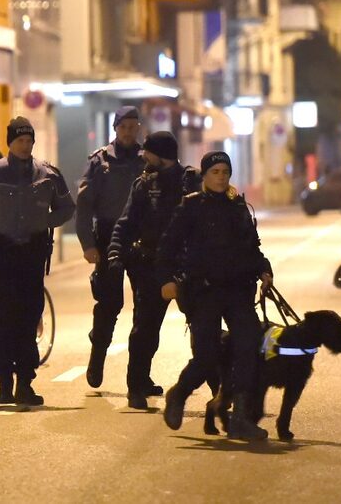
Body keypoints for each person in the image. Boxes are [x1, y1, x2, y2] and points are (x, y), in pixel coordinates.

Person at [157, 151, 273, 440]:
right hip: (204, 291)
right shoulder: (191, 207)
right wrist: (167, 280)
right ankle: (179, 394)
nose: (221, 177)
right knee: (207, 356)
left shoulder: (238, 208)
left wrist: (265, 271)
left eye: (225, 172)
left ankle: (241, 418)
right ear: (205, 176)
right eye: (215, 172)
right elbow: (167, 248)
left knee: (248, 347)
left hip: (237, 290)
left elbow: (253, 249)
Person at [0, 117, 75, 406]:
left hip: (32, 254)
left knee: (29, 318)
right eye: (20, 141)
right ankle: (4, 382)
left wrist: (44, 221)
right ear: (10, 143)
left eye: (29, 141)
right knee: (4, 319)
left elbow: (66, 207)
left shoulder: (47, 174)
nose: (25, 146)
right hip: (2, 254)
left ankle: (25, 382)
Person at [107, 131, 201, 409]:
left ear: (161, 154)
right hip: (150, 266)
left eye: (147, 152)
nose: (143, 156)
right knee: (145, 329)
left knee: (203, 329)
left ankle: (221, 392)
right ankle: (136, 386)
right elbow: (126, 221)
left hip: (188, 267)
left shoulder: (193, 182)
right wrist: (115, 251)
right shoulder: (144, 184)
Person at [75, 106, 146, 389]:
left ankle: (140, 375)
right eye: (123, 127)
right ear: (115, 128)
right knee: (109, 303)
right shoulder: (99, 162)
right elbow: (83, 206)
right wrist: (88, 244)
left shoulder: (147, 159)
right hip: (107, 237)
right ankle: (97, 356)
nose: (128, 132)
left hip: (141, 239)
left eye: (133, 126)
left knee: (145, 307)